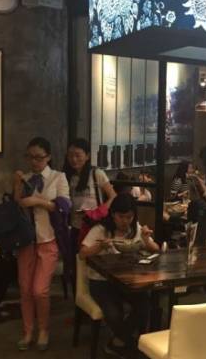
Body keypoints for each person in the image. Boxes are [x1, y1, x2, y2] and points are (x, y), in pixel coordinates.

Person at [81, 193, 159, 357]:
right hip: (101, 281)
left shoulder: (135, 228)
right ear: (113, 214)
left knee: (144, 304)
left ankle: (117, 342)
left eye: (129, 217)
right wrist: (100, 247)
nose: (125, 221)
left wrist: (146, 239)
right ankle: (134, 344)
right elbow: (82, 253)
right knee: (114, 313)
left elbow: (156, 249)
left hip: (127, 280)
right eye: (121, 217)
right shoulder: (100, 229)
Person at [13, 137, 71, 351]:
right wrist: (17, 184)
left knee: (40, 290)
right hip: (26, 241)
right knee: (25, 289)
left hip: (48, 239)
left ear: (49, 157)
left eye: (39, 157)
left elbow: (64, 206)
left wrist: (38, 201)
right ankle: (28, 331)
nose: (34, 162)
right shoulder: (26, 178)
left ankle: (44, 330)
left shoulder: (58, 177)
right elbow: (16, 206)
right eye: (30, 157)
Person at [63, 138, 116, 244]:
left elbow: (113, 196)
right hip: (75, 225)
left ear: (87, 156)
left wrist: (99, 212)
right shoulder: (68, 176)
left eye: (78, 155)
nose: (73, 159)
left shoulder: (96, 173)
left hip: (94, 225)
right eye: (70, 155)